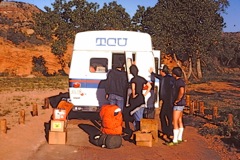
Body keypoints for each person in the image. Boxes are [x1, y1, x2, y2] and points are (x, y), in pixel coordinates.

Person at [149, 64, 174, 140]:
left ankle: (169, 133)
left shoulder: (170, 79)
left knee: (168, 117)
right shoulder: (164, 78)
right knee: (163, 116)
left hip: (169, 101)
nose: (159, 72)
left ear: (163, 71)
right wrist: (152, 73)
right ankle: (166, 131)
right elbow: (157, 76)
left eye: (160, 70)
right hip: (165, 101)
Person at [167, 67, 186, 146]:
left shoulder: (179, 82)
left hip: (178, 104)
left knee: (174, 121)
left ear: (175, 74)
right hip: (181, 104)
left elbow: (181, 91)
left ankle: (175, 140)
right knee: (179, 120)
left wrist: (177, 100)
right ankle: (179, 137)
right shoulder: (180, 81)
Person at [129, 65, 152, 131]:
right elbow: (149, 86)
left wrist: (133, 95)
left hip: (136, 99)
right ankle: (141, 129)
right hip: (141, 98)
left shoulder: (133, 79)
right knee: (140, 115)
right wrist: (145, 94)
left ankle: (138, 130)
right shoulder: (142, 78)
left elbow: (133, 89)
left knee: (136, 116)